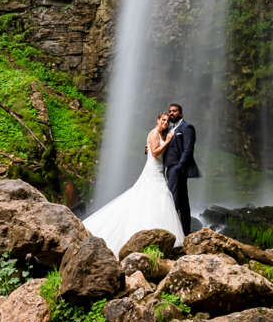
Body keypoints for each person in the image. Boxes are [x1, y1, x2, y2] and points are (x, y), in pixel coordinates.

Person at [83, 113, 186, 255]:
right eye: (163, 120)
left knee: (155, 198)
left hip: (158, 169)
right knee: (156, 195)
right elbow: (155, 153)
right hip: (153, 170)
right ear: (157, 120)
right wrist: (168, 141)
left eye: (167, 121)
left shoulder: (160, 134)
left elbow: (152, 150)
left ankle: (158, 234)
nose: (165, 123)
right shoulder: (154, 133)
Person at [162, 103, 199, 236]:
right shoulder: (169, 129)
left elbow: (188, 150)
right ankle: (185, 232)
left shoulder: (187, 127)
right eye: (170, 111)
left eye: (174, 111)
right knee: (183, 201)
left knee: (173, 200)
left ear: (181, 113)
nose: (171, 113)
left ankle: (171, 233)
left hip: (177, 169)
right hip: (170, 168)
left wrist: (179, 168)